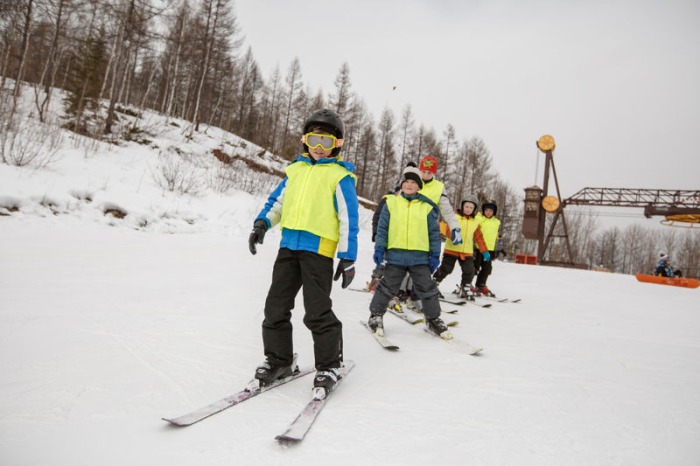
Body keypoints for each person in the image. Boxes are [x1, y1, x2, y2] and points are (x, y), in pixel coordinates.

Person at [247, 108, 359, 397]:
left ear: (338, 145)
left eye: (326, 142)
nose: (319, 148)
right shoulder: (294, 170)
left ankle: (329, 365)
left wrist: (348, 257)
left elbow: (349, 219)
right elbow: (278, 203)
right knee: (275, 307)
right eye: (313, 140)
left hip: (319, 252)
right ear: (304, 141)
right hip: (288, 247)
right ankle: (279, 360)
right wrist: (262, 223)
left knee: (317, 311)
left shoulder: (339, 176)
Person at [367, 165, 452, 339]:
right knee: (387, 287)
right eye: (406, 181)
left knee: (428, 288)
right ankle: (376, 315)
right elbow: (383, 229)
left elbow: (433, 234)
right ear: (401, 184)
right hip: (395, 256)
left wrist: (435, 255)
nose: (410, 185)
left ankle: (433, 319)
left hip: (419, 257)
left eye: (414, 182)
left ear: (419, 186)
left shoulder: (427, 208)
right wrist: (379, 248)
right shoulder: (391, 203)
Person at [432, 194, 490, 300]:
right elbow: (448, 230)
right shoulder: (455, 217)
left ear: (474, 209)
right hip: (452, 250)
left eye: (471, 207)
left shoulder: (475, 222)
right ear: (462, 206)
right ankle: (433, 284)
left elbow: (479, 238)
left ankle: (465, 287)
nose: (468, 209)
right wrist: (454, 236)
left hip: (467, 251)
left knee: (470, 270)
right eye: (466, 207)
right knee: (446, 269)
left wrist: (484, 251)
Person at [473, 199, 501, 297]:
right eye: (487, 210)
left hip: (489, 249)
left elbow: (496, 235)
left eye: (491, 211)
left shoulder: (496, 222)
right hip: (478, 248)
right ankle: (467, 284)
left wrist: (498, 247)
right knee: (474, 267)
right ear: (483, 211)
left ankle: (480, 284)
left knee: (487, 268)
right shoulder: (480, 219)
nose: (488, 212)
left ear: (494, 212)